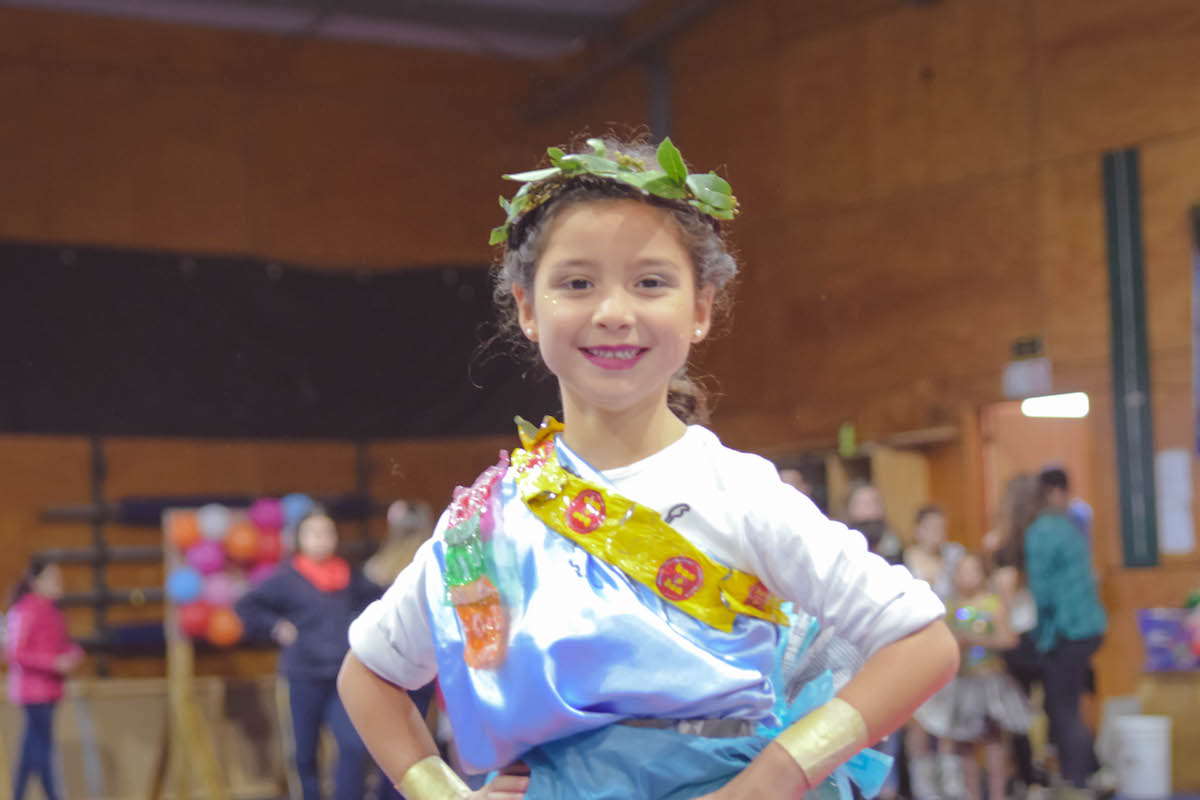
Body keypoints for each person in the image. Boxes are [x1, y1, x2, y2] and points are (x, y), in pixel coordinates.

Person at [336, 136, 959, 800]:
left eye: (650, 282)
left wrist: (770, 781)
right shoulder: (482, 525)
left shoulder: (738, 494)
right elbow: (367, 675)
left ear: (700, 309)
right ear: (527, 308)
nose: (614, 313)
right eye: (577, 283)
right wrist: (442, 792)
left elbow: (922, 644)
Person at [235, 510, 385, 800]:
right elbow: (247, 606)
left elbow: (379, 598)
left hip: (342, 677)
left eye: (327, 533)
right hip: (303, 676)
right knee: (305, 754)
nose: (321, 540)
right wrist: (275, 626)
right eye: (314, 533)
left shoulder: (350, 575)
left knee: (352, 745)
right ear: (300, 539)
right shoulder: (286, 578)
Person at [915, 554, 1033, 800]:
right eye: (962, 572)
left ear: (983, 575)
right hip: (963, 683)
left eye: (973, 571)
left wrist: (975, 640)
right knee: (964, 742)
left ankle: (998, 793)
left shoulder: (992, 604)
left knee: (993, 740)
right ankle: (972, 793)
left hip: (989, 681)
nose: (967, 577)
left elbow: (1009, 639)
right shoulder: (952, 608)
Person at [1024, 475, 1106, 791]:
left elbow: (1043, 593)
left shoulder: (1041, 531)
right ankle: (1092, 772)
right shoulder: (1071, 527)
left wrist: (1037, 634)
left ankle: (1079, 782)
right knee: (1068, 704)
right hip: (1090, 628)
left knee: (1064, 709)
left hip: (1065, 631)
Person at [5, 558, 84, 800]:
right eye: (52, 578)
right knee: (43, 749)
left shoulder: (54, 611)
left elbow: (61, 644)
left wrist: (73, 654)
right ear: (35, 582)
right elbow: (15, 652)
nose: (58, 583)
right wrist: (53, 663)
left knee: (31, 750)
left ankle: (18, 794)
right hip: (32, 691)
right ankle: (52, 794)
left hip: (50, 689)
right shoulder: (25, 610)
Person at [902, 506, 966, 800]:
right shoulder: (903, 559)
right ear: (918, 529)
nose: (936, 534)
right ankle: (923, 786)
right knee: (918, 718)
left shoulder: (953, 557)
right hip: (914, 645)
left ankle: (951, 782)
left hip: (948, 642)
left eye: (941, 527)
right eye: (930, 527)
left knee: (948, 718)